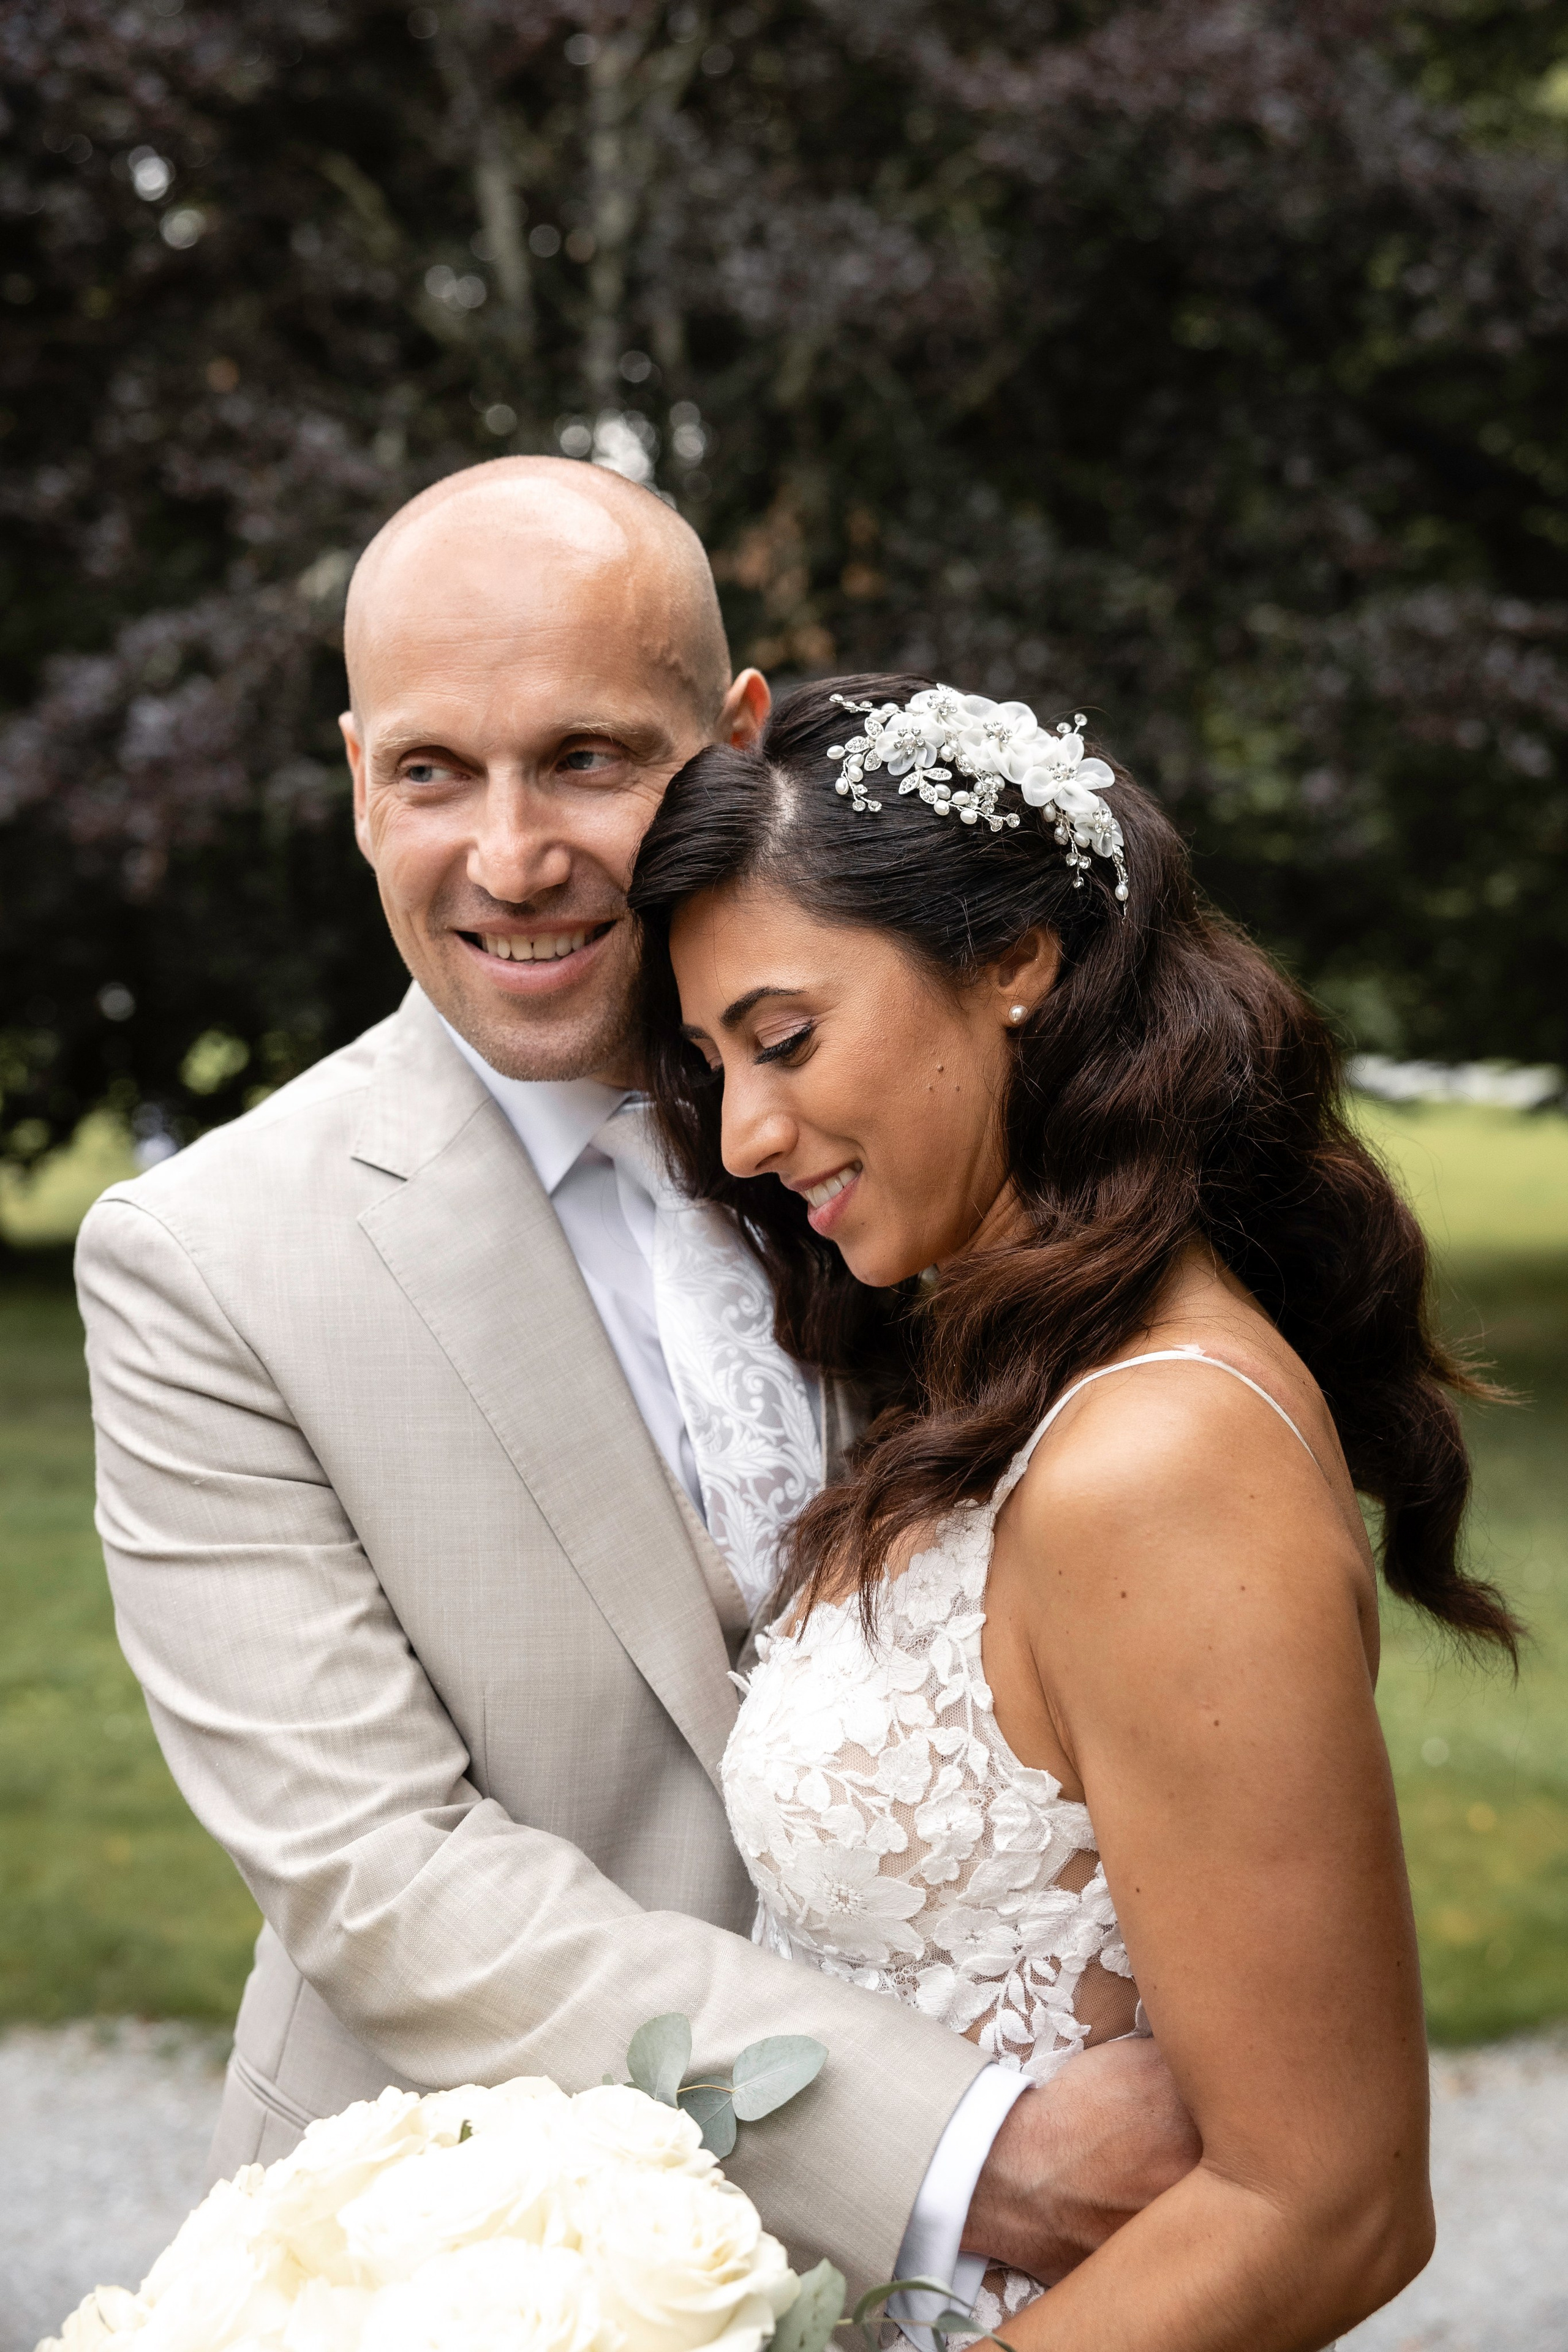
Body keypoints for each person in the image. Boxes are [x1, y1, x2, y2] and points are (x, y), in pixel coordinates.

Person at [75, 464, 1199, 2308]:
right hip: (483, 2260)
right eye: (434, 774)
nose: (510, 859)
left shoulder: (929, 1115)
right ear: (359, 777)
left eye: (587, 758)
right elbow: (381, 1873)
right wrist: (968, 2153)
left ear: (732, 739)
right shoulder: (208, 1262)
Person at [628, 674, 1521, 2349]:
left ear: (1015, 961)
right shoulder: (1002, 1381)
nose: (744, 1132)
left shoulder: (1158, 1456)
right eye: (710, 1062)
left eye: (787, 1038)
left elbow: (1328, 2207)